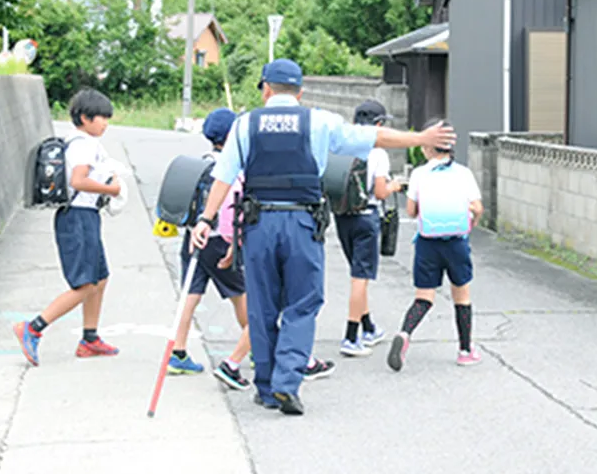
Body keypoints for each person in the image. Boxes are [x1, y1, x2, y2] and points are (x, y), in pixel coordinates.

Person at [189, 59, 455, 416]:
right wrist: (420, 139)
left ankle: (266, 388)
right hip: (301, 223)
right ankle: (287, 383)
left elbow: (224, 177)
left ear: (265, 89)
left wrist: (206, 219)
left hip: (258, 225)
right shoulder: (319, 121)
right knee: (303, 302)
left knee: (262, 305)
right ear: (300, 92)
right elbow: (372, 137)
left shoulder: (244, 125)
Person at [14, 89, 123, 366]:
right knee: (85, 285)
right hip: (76, 218)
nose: (106, 123)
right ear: (85, 118)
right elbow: (78, 181)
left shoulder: (84, 143)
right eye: (101, 118)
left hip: (86, 216)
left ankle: (89, 339)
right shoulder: (83, 144)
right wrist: (111, 189)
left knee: (100, 278)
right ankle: (34, 327)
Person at [387, 118, 484, 373]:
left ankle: (405, 334)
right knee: (461, 296)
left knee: (424, 297)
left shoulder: (419, 174)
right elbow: (478, 208)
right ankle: (465, 350)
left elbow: (410, 211)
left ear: (428, 147)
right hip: (456, 243)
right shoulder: (463, 173)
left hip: (427, 244)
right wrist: (471, 221)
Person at [168, 108, 253, 391]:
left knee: (190, 295)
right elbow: (230, 212)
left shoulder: (201, 164)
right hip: (220, 240)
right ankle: (253, 344)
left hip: (193, 238)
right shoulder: (232, 170)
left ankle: (177, 351)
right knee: (241, 296)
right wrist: (235, 243)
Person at [335, 100, 403, 357]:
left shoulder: (340, 148)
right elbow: (380, 191)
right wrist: (395, 186)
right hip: (366, 218)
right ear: (377, 125)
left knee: (356, 274)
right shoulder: (377, 153)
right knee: (360, 278)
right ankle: (351, 337)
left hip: (342, 217)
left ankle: (368, 327)